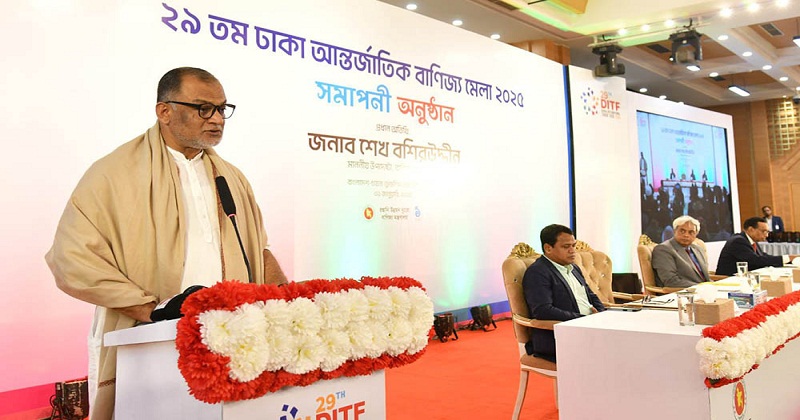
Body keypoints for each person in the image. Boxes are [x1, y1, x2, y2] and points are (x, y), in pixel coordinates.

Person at [45, 67, 288, 420]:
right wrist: (151, 309)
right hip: (151, 340)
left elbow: (258, 249)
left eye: (222, 109)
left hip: (232, 338)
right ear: (164, 111)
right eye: (203, 108)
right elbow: (71, 258)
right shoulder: (114, 173)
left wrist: (285, 301)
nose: (217, 119)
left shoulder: (232, 178)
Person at [522, 224, 606, 362]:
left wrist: (602, 315)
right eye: (566, 247)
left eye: (573, 245)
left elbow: (590, 295)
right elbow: (543, 311)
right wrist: (583, 319)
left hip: (589, 327)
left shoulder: (574, 268)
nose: (573, 251)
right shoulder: (538, 272)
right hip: (560, 336)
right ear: (548, 248)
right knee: (616, 350)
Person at [715, 217, 799, 276]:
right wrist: (787, 258)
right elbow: (756, 260)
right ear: (751, 230)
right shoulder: (738, 241)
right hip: (728, 280)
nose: (766, 235)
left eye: (767, 232)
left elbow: (763, 256)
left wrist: (789, 260)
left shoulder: (751, 240)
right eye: (764, 231)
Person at [651, 215, 709, 288]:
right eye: (682, 231)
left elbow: (705, 278)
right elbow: (671, 281)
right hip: (682, 292)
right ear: (674, 231)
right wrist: (701, 287)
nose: (686, 235)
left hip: (705, 290)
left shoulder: (698, 249)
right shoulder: (663, 249)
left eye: (691, 232)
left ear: (696, 234)